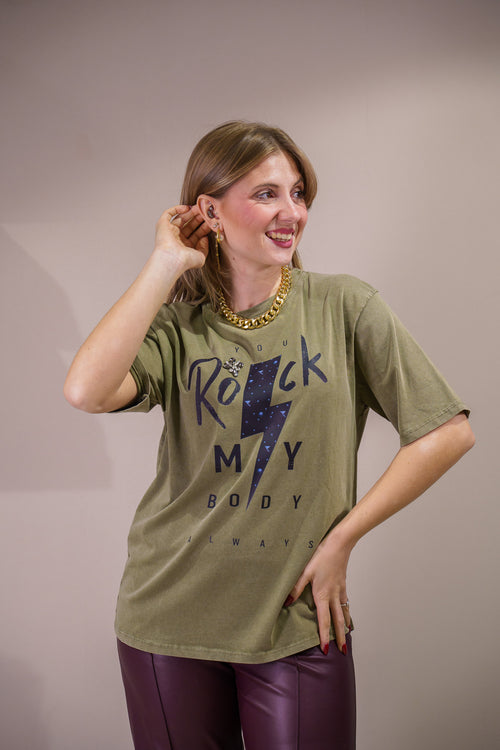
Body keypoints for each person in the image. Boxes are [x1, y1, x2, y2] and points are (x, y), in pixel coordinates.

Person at [64, 120, 474, 750]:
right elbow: (86, 390)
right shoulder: (177, 329)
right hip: (168, 614)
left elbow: (446, 433)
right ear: (211, 211)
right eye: (267, 194)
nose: (293, 213)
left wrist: (342, 540)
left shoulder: (345, 307)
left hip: (296, 618)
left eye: (298, 193)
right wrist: (166, 261)